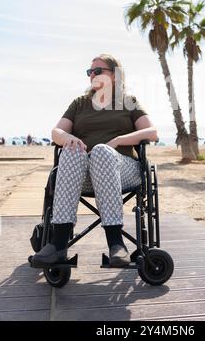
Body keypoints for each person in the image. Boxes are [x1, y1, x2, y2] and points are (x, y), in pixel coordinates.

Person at [31, 54, 158, 268]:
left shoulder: (128, 102)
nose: (92, 75)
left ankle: (116, 243)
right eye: (89, 71)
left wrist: (118, 141)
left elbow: (152, 132)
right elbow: (56, 131)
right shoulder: (80, 103)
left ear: (115, 75)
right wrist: (67, 138)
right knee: (70, 151)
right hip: (83, 174)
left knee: (101, 151)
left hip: (123, 170)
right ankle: (58, 244)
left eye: (98, 71)